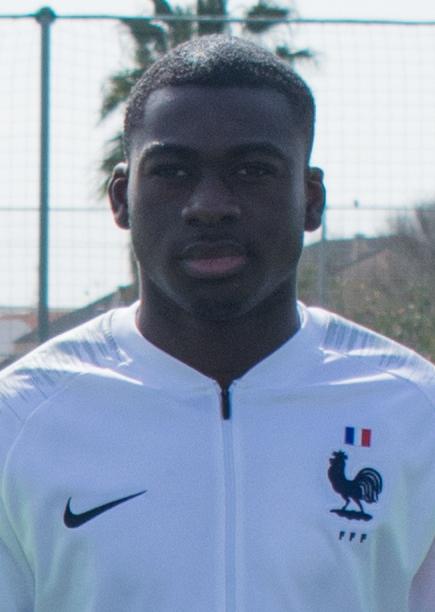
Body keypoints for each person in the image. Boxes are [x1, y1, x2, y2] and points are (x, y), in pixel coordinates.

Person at [0, 34, 434, 612]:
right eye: (173, 170)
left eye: (252, 170)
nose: (209, 204)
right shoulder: (20, 418)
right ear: (121, 199)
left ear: (310, 199)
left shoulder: (414, 412)